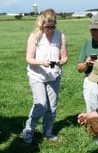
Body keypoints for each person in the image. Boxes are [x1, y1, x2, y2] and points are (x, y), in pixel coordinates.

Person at [22, 8, 68, 144]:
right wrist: (42, 62)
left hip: (54, 76)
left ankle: (47, 132)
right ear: (42, 25)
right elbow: (29, 59)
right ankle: (28, 131)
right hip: (37, 76)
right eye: (47, 27)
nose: (50, 30)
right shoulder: (35, 36)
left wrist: (60, 62)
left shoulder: (60, 36)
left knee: (52, 107)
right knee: (40, 104)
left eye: (53, 27)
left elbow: (65, 57)